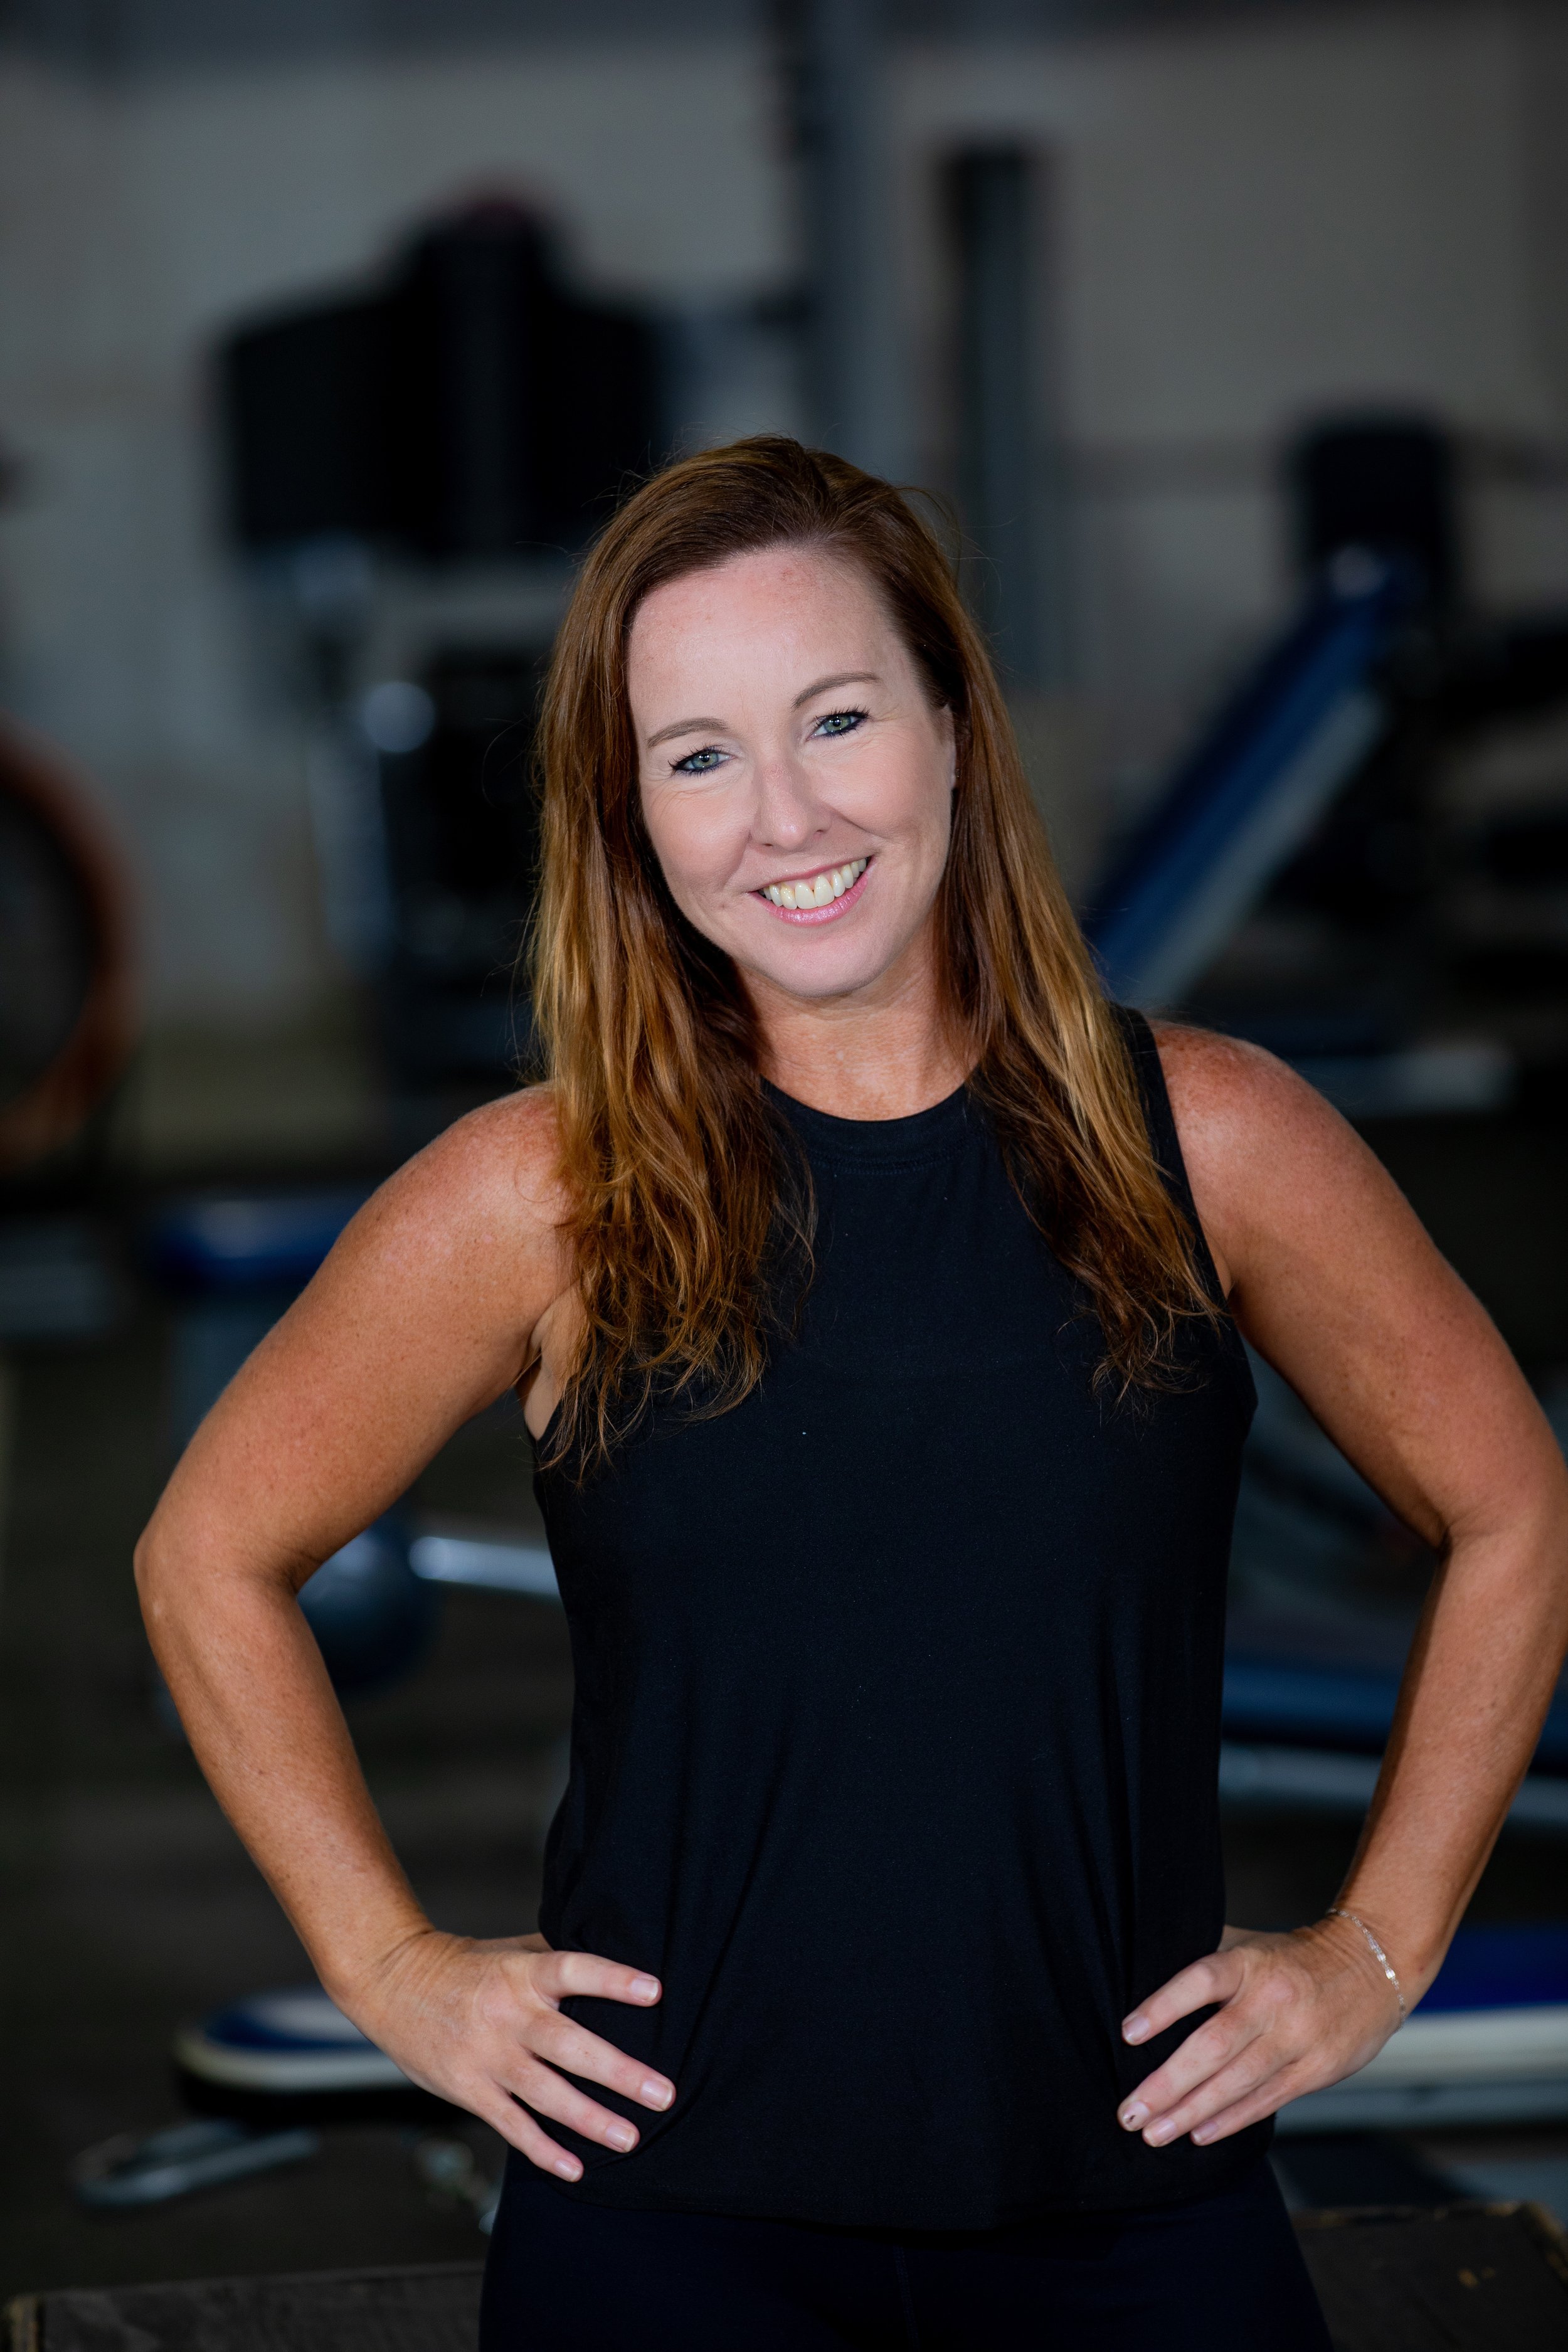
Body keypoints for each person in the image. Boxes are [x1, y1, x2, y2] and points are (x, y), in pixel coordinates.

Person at [137, 438, 1568, 2351]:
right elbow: (206, 1555)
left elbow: (1511, 1506)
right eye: (698, 753)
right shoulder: (537, 1196)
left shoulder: (1213, 1144)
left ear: (955, 732)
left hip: (1138, 2210)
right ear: (631, 814)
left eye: (836, 718)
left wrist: (1373, 1952)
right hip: (669, 2226)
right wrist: (390, 1966)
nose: (782, 815)